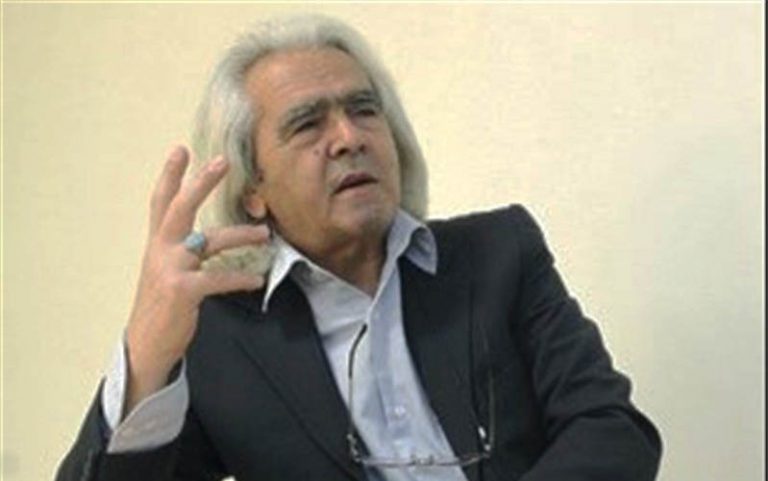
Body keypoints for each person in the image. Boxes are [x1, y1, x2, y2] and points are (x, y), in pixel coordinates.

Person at [56, 14, 662, 481]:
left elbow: (611, 429)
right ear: (253, 189)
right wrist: (146, 357)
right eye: (307, 124)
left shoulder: (499, 254)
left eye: (364, 110)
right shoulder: (220, 336)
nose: (349, 137)